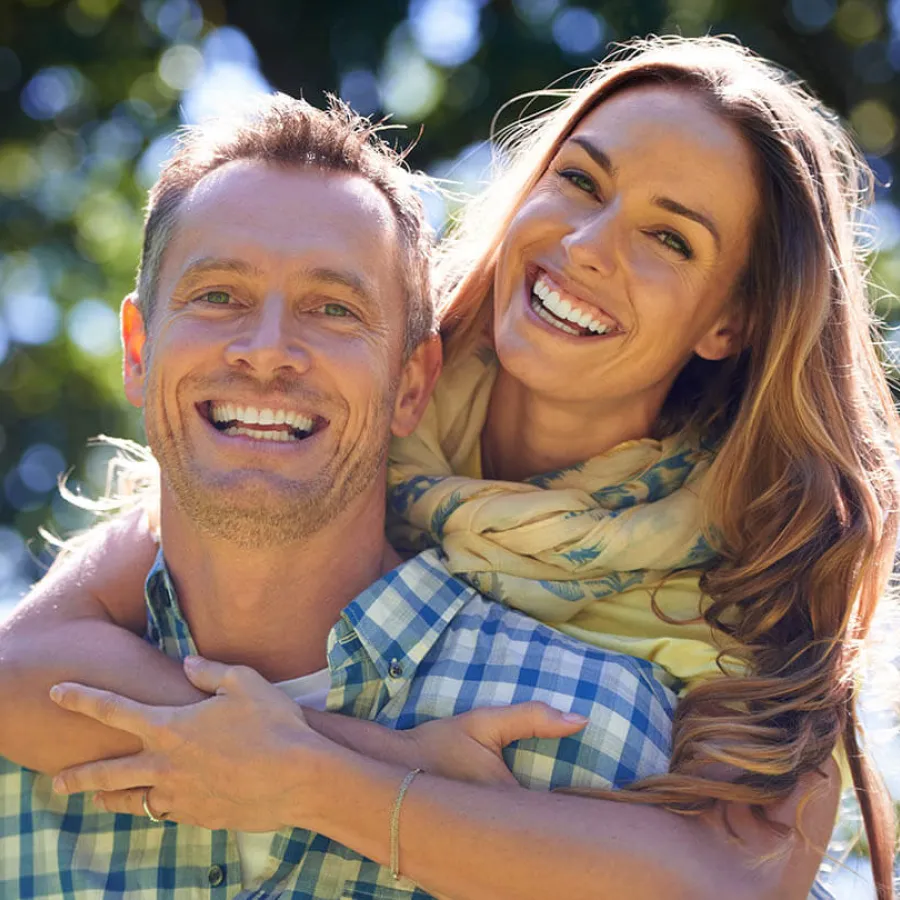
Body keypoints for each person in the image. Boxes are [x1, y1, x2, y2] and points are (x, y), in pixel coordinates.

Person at [1, 33, 895, 898]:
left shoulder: (756, 565)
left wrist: (322, 782)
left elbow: (729, 886)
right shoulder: (337, 424)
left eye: (671, 239)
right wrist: (370, 753)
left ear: (728, 323)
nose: (588, 246)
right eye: (580, 180)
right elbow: (24, 664)